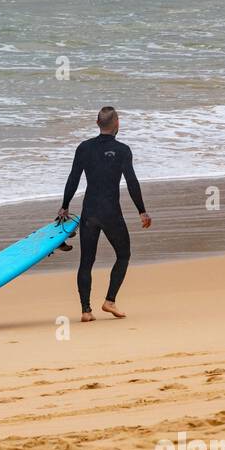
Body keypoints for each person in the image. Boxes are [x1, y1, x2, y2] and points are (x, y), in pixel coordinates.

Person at [57, 106, 152, 322]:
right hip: (111, 213)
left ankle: (86, 311)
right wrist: (142, 211)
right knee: (124, 254)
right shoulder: (123, 150)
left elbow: (73, 179)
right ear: (117, 123)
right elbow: (132, 182)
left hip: (89, 211)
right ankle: (109, 301)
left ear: (97, 123)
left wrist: (64, 205)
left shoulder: (84, 148)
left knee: (86, 261)